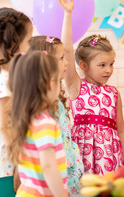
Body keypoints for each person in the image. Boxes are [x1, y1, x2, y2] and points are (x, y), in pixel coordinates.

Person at [57, 0, 124, 174]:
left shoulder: (114, 93)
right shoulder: (76, 86)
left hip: (111, 157)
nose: (109, 70)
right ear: (83, 65)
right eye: (102, 65)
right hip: (83, 156)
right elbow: (66, 48)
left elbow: (121, 130)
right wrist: (68, 13)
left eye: (111, 64)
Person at [5, 51, 67, 197]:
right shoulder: (45, 123)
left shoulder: (24, 119)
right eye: (58, 81)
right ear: (51, 84)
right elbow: (48, 165)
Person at [29, 36, 84, 196]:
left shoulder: (56, 101)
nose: (66, 62)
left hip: (70, 175)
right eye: (61, 58)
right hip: (56, 182)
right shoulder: (41, 107)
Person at [0, 7, 33, 196]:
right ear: (13, 43)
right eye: (28, 41)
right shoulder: (5, 80)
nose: (29, 48)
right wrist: (20, 164)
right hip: (7, 165)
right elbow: (6, 127)